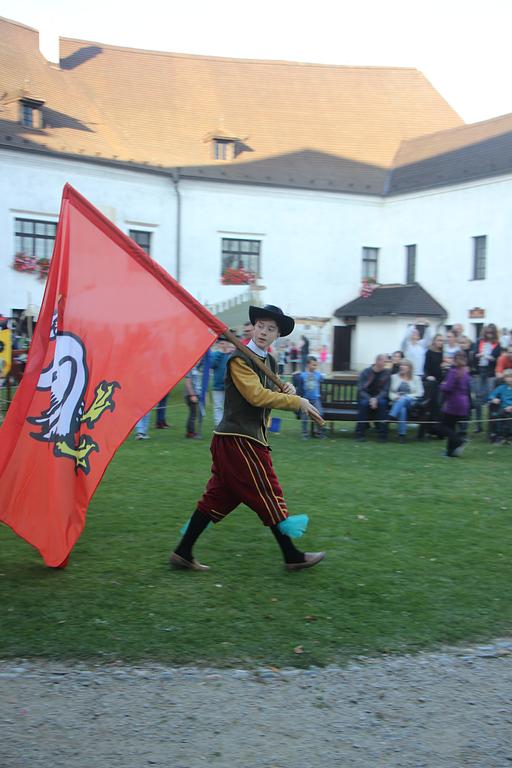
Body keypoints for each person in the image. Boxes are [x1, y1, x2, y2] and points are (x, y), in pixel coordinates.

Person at [170, 305, 325, 572]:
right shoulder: (239, 360)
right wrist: (296, 402)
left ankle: (182, 552)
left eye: (271, 329)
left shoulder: (270, 362)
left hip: (249, 439)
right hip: (238, 440)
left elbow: (270, 395)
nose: (264, 332)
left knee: (217, 498)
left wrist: (287, 390)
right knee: (267, 492)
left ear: (277, 335)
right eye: (261, 326)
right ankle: (292, 556)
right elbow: (256, 396)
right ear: (254, 327)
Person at [438, 351, 471, 457]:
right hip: (463, 402)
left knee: (442, 426)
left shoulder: (453, 372)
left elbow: (448, 388)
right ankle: (450, 452)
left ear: (455, 360)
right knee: (451, 426)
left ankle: (459, 440)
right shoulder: (466, 372)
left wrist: (442, 385)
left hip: (454, 402)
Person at [355, 354, 390, 441]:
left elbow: (385, 390)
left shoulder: (386, 374)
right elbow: (360, 389)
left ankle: (382, 435)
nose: (385, 364)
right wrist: (370, 399)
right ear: (377, 361)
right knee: (363, 404)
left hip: (380, 398)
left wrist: (376, 399)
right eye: (384, 361)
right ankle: (359, 434)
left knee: (382, 404)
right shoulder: (365, 372)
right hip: (366, 397)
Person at [474, 323, 501, 433]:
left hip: (491, 373)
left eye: (491, 333)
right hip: (480, 371)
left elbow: (498, 358)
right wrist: (478, 355)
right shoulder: (480, 342)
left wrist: (491, 358)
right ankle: (478, 425)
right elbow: (474, 354)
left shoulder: (497, 344)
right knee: (478, 399)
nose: (489, 335)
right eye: (487, 332)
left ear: (494, 334)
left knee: (491, 398)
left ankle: (491, 426)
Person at [388, 359, 424, 442]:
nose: (402, 367)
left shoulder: (416, 378)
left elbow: (420, 392)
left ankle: (392, 415)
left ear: (409, 368)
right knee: (402, 409)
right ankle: (402, 435)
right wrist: (395, 397)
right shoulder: (394, 377)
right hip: (397, 402)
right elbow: (390, 392)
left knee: (403, 399)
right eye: (401, 365)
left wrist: (405, 396)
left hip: (411, 402)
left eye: (404, 365)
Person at [210, 336, 235, 427]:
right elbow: (212, 365)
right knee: (218, 407)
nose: (222, 345)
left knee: (229, 407)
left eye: (223, 343)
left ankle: (228, 425)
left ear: (227, 344)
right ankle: (219, 426)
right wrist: (220, 353)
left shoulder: (231, 354)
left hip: (229, 386)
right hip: (217, 386)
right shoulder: (215, 354)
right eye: (220, 343)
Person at [298, 355, 325, 438]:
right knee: (304, 416)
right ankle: (305, 433)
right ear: (308, 365)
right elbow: (299, 386)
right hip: (306, 400)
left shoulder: (318, 375)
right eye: (313, 365)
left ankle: (319, 432)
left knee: (320, 414)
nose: (315, 367)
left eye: (316, 365)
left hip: (315, 399)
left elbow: (323, 379)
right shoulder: (303, 375)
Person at [488, 370, 512, 443]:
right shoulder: (501, 387)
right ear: (504, 379)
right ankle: (500, 435)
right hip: (503, 408)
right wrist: (494, 399)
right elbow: (491, 395)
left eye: (511, 377)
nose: (509, 379)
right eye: (507, 377)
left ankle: (509, 435)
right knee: (498, 415)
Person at [184, 365, 202, 439]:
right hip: (191, 395)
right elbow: (187, 382)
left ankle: (190, 432)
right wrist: (192, 395)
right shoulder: (190, 368)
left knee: (193, 414)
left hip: (195, 394)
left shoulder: (195, 368)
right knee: (193, 415)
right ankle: (190, 433)